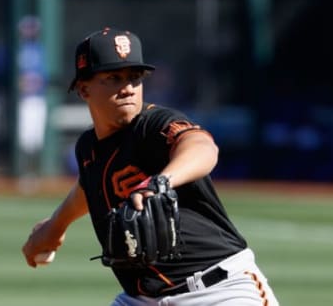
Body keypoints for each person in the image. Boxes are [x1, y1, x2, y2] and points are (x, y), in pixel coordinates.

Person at [22, 27, 279, 306]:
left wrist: (162, 181)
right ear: (84, 88)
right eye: (114, 78)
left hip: (218, 290)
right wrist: (56, 226)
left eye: (134, 77)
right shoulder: (88, 147)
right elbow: (90, 185)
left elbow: (202, 147)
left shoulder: (154, 124)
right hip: (141, 299)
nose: (128, 88)